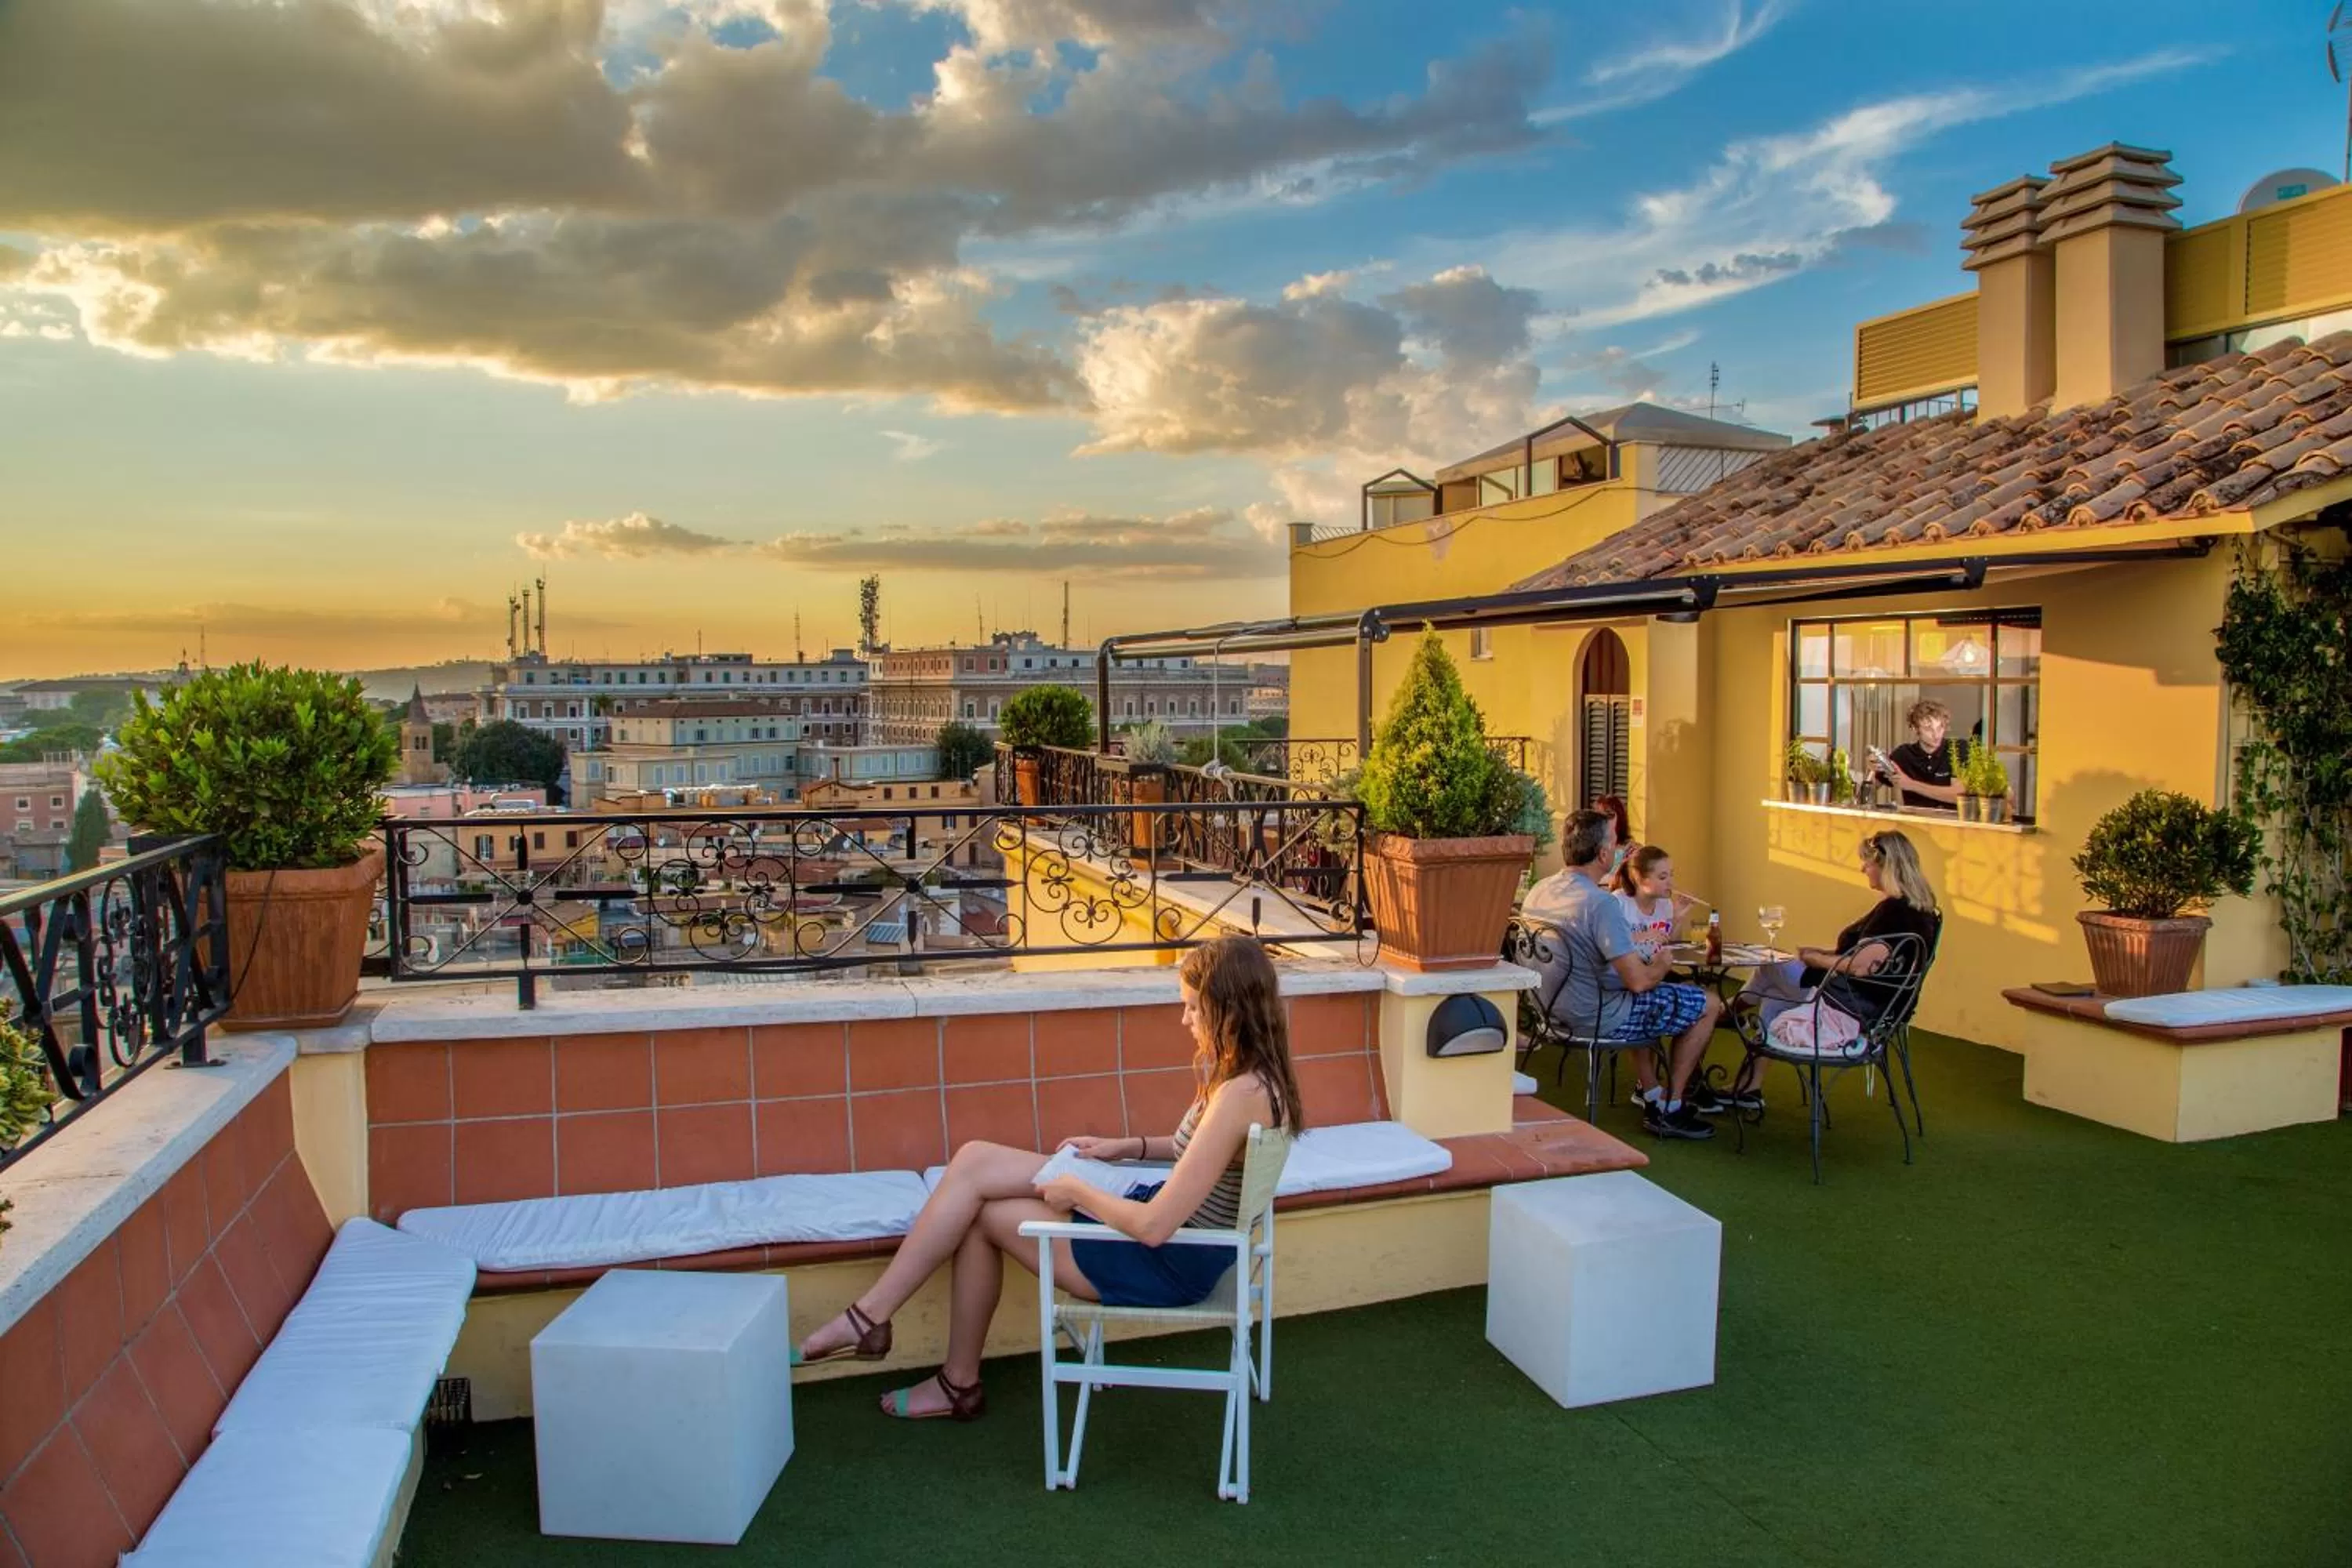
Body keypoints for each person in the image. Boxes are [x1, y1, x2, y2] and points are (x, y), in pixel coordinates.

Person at [791, 935, 1305, 1421]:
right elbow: (1191, 1154)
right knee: (972, 1161)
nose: (1185, 1018)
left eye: (1194, 1006)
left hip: (1162, 1261)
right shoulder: (1256, 1076)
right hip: (1173, 1232)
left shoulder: (1240, 1095)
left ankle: (931, 1365)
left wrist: (1078, 1190)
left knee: (978, 1214)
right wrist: (1122, 1147)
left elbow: (1153, 1227)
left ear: (1231, 1009)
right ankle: (885, 1330)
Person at [1521, 810, 1724, 1141]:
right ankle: (1670, 1108)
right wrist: (1661, 962)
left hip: (1547, 1012)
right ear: (1603, 854)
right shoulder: (1601, 903)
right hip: (1595, 1015)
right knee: (1709, 1004)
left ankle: (1653, 1093)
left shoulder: (1540, 890)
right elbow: (1639, 982)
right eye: (1614, 844)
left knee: (1656, 999)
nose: (1618, 851)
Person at [1729, 829, 1942, 1088]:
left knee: (1770, 967)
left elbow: (1861, 966)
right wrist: (1824, 954)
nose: (1863, 868)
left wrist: (1818, 960)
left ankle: (1725, 1011)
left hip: (1847, 1003)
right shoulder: (1920, 912)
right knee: (1773, 995)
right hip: (1876, 1007)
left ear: (1886, 867)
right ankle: (1749, 1087)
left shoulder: (1894, 912)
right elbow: (1864, 957)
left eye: (1868, 862)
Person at [1881, 699, 1961, 809]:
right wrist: (1871, 769)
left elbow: (1958, 796)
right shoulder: (1904, 754)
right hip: (1915, 822)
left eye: (1940, 728)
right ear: (1915, 729)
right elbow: (1870, 788)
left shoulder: (1958, 749)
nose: (1936, 735)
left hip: (1950, 822)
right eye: (1929, 729)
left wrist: (1910, 784)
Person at [1593, 793, 1634, 879]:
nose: (1605, 820)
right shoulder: (1591, 846)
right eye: (1599, 816)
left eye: (1609, 815)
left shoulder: (1630, 849)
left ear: (1620, 817)